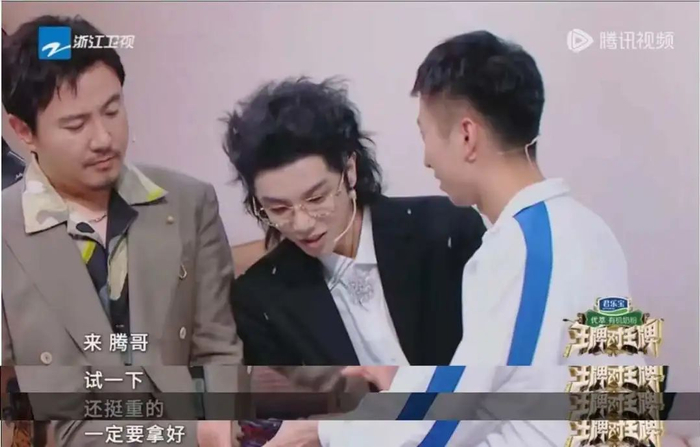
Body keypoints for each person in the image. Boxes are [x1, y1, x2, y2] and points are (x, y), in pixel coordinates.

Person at [262, 30, 652, 447]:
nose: (426, 158)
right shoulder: (589, 229)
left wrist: (321, 433)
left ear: (466, 135)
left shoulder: (520, 250)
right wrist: (409, 383)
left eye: (425, 134)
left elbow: (448, 422)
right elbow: (531, 380)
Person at [2, 15, 247, 446]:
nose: (104, 138)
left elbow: (218, 348)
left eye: (113, 110)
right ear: (24, 131)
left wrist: (224, 427)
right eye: (75, 125)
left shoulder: (189, 203)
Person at [222, 77, 485, 369]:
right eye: (279, 208)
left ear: (349, 170)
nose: (301, 223)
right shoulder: (260, 298)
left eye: (316, 198)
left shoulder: (445, 231)